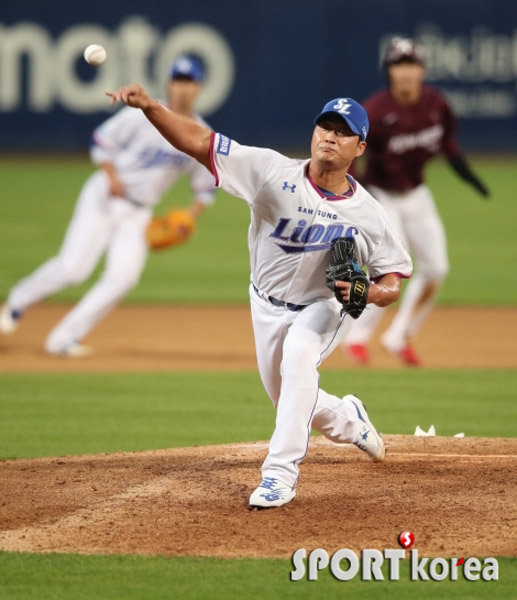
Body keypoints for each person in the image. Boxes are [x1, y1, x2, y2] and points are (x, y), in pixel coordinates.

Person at [105, 83, 413, 509]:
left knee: (300, 360)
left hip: (323, 306)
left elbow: (395, 277)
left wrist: (374, 291)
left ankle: (278, 476)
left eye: (342, 133)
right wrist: (150, 108)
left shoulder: (368, 213)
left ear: (359, 147)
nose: (329, 136)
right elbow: (199, 142)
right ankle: (350, 421)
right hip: (264, 303)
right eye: (324, 127)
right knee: (286, 395)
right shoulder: (271, 170)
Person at [0, 55, 216, 356]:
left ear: (199, 88)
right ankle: (16, 301)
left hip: (139, 212)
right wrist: (112, 175)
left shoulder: (199, 132)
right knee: (74, 268)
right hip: (104, 196)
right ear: (168, 84)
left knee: (124, 277)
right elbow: (102, 140)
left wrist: (187, 218)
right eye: (178, 81)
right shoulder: (144, 113)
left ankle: (63, 338)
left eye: (189, 82)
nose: (182, 89)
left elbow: (205, 187)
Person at [342, 37, 490, 367]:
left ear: (421, 69)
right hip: (382, 195)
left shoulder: (436, 105)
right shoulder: (376, 111)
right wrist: (355, 193)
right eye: (398, 65)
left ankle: (399, 336)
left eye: (411, 64)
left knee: (437, 268)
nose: (405, 72)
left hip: (417, 194)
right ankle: (356, 337)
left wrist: (469, 176)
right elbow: (352, 155)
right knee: (391, 266)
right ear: (389, 72)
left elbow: (447, 144)